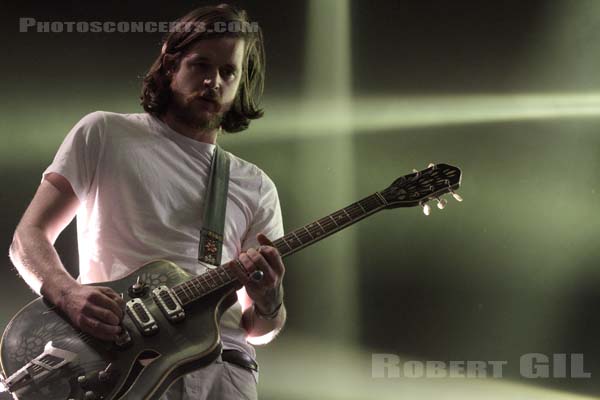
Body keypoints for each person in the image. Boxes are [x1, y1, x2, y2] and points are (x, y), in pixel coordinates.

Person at [8, 4, 285, 399]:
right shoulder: (104, 133)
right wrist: (67, 293)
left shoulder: (255, 185)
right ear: (171, 64)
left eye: (229, 72)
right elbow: (27, 237)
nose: (213, 81)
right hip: (122, 363)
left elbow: (259, 330)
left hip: (224, 371)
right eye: (200, 65)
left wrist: (270, 302)